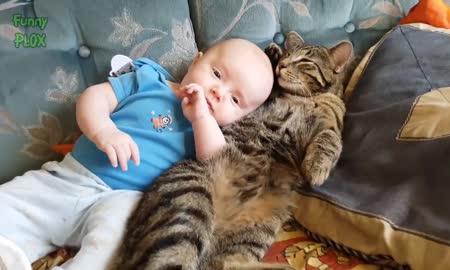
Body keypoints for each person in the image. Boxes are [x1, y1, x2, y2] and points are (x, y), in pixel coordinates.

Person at [0, 38, 273, 270]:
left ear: (243, 117)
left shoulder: (209, 132)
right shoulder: (148, 79)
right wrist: (104, 130)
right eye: (217, 74)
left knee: (116, 242)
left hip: (125, 201)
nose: (218, 93)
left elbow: (217, 162)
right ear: (195, 62)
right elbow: (94, 98)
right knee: (11, 203)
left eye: (235, 100)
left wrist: (201, 117)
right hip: (69, 177)